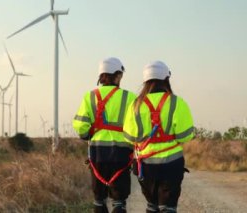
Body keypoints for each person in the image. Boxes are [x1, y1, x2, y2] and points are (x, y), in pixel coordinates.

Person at [123, 61, 195, 213]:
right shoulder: (177, 103)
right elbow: (185, 136)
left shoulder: (135, 105)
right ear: (166, 79)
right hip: (171, 165)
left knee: (152, 205)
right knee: (168, 208)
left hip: (145, 167)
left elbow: (129, 137)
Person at [73, 57, 136, 213]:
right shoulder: (130, 98)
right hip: (122, 154)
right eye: (120, 75)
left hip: (97, 154)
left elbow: (81, 127)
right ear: (116, 75)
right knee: (119, 201)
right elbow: (137, 129)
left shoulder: (90, 96)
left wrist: (89, 134)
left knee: (99, 200)